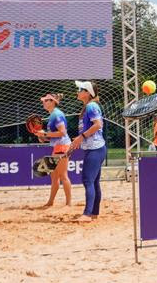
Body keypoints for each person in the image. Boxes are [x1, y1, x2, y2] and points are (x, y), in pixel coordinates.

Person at [69, 81, 106, 223]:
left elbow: (98, 125)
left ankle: (87, 214)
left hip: (95, 148)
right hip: (95, 148)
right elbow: (89, 129)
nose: (78, 91)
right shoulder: (88, 107)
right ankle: (94, 212)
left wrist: (81, 137)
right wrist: (79, 140)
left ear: (87, 93)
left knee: (88, 180)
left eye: (80, 89)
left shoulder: (91, 106)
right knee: (94, 182)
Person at [34, 93, 72, 208]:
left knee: (63, 175)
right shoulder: (52, 115)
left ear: (52, 102)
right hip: (59, 146)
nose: (43, 103)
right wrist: (42, 137)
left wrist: (45, 133)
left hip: (63, 146)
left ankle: (68, 203)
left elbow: (62, 132)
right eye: (43, 101)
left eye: (45, 101)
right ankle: (50, 202)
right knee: (54, 175)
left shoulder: (57, 114)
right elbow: (54, 136)